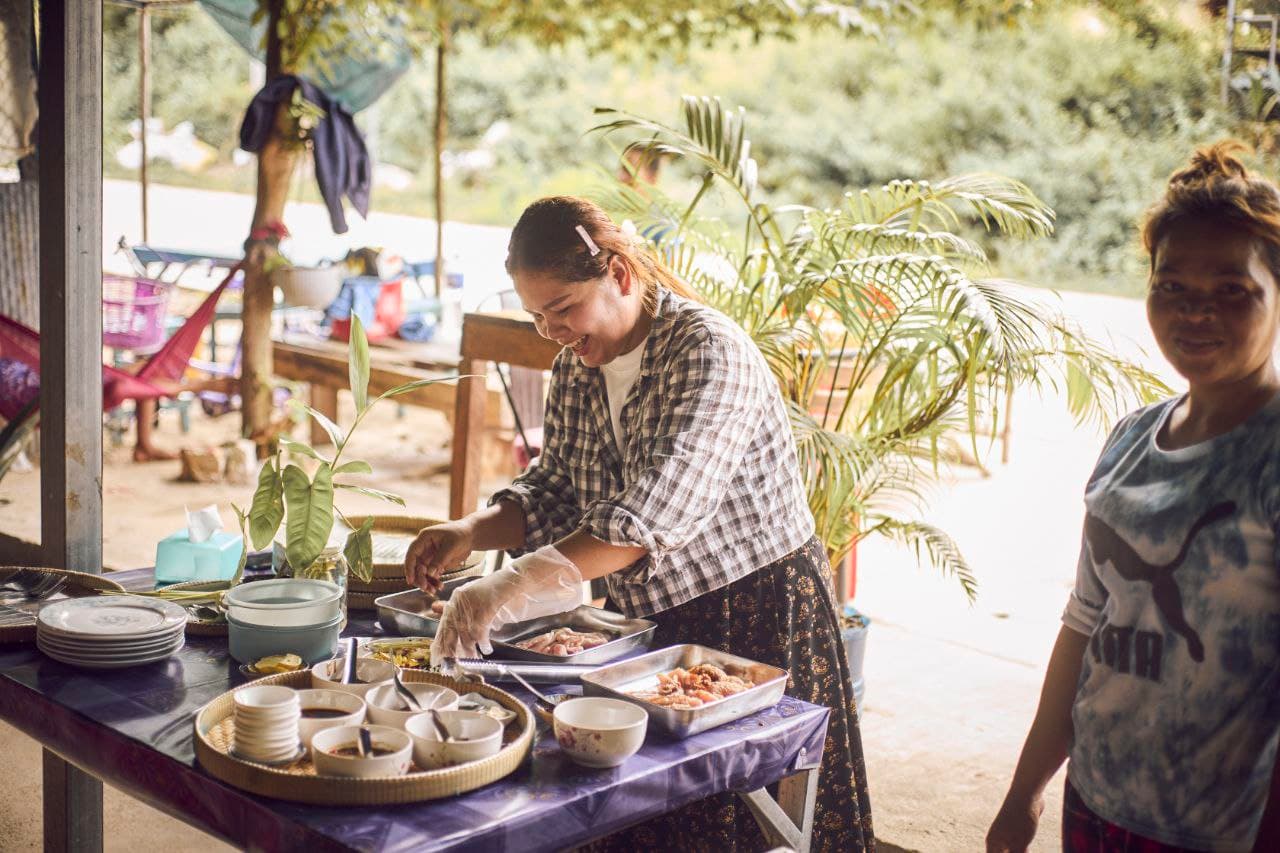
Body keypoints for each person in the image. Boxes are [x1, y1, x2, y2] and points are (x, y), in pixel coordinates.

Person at [406, 196, 873, 851]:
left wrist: (505, 585)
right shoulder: (577, 366)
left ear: (620, 274)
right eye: (538, 317)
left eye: (563, 308)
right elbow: (556, 488)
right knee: (641, 818)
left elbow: (644, 520)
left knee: (744, 823)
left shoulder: (708, 351)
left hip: (755, 613)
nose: (553, 332)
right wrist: (471, 530)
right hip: (652, 626)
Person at [987, 142, 1280, 852]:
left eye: (1231, 290)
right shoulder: (1131, 437)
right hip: (1097, 800)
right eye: (1171, 285)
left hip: (1221, 829)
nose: (1194, 313)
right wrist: (1025, 791)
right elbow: (1084, 621)